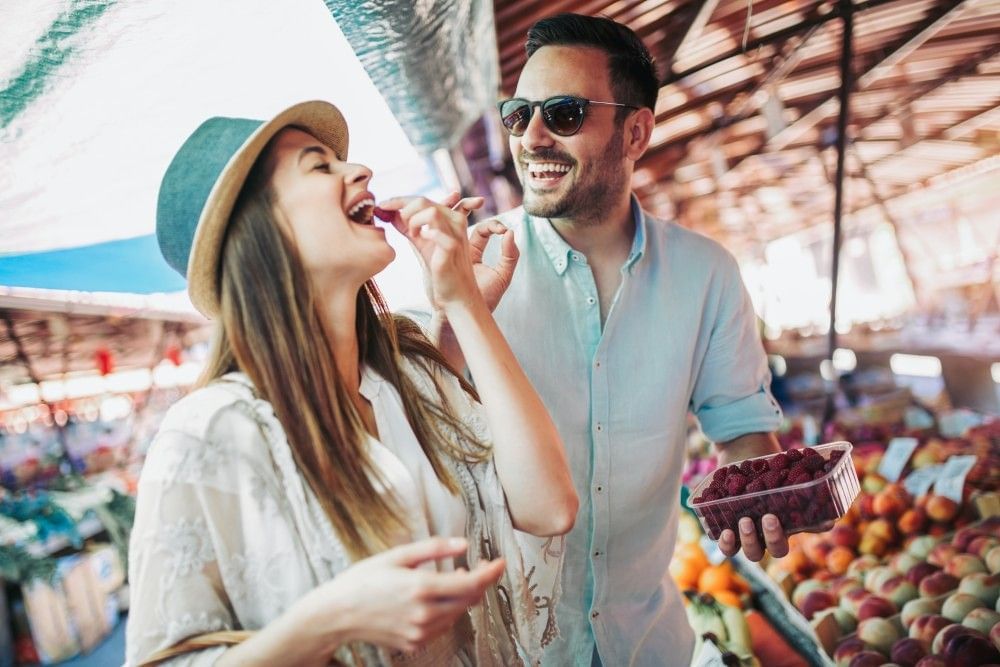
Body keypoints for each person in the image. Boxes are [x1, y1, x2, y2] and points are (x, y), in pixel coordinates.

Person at [125, 100, 578, 666]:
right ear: (260, 232)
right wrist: (330, 621)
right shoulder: (208, 433)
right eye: (319, 167)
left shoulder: (407, 371)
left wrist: (464, 302)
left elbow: (550, 507)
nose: (358, 170)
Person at [433, 13, 787, 666]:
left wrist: (763, 493)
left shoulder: (706, 273)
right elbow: (424, 437)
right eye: (518, 115)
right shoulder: (469, 269)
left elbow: (742, 433)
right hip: (508, 650)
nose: (531, 138)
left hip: (649, 644)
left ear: (636, 131)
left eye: (564, 114)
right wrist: (455, 316)